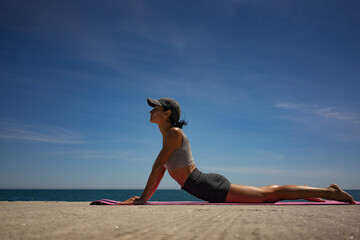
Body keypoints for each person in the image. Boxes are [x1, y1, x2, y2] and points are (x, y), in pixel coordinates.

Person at [119, 97, 356, 205]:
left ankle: (330, 192)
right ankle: (311, 191)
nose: (150, 111)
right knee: (267, 192)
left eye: (155, 108)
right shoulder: (168, 136)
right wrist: (144, 198)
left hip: (207, 186)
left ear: (167, 113)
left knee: (267, 195)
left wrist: (142, 199)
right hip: (204, 184)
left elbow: (157, 167)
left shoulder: (173, 134)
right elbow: (160, 170)